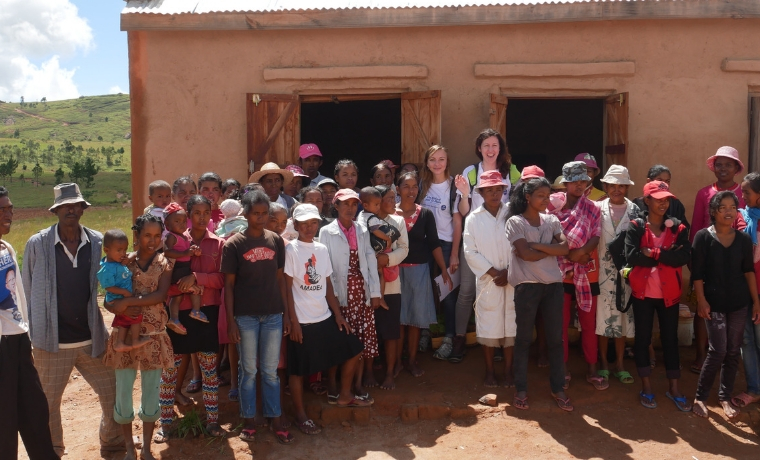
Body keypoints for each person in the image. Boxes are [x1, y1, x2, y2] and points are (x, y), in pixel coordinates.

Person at [22, 183, 123, 457]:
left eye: (76, 205)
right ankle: (53, 450)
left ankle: (112, 443)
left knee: (111, 395)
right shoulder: (37, 244)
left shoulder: (98, 241)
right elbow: (26, 291)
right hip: (51, 343)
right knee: (48, 403)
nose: (72, 209)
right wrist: (29, 335)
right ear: (56, 210)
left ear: (82, 208)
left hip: (93, 339)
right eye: (66, 206)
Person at [286, 204, 371, 435]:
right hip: (301, 321)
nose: (309, 227)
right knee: (297, 370)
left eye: (313, 222)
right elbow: (285, 289)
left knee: (353, 348)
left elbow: (328, 286)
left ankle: (344, 395)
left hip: (324, 316)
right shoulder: (291, 250)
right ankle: (301, 415)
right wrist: (292, 321)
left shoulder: (321, 249)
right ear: (295, 225)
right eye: (303, 223)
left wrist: (338, 316)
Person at [102, 214, 174, 460]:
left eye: (157, 236)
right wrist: (115, 307)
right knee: (123, 393)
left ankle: (146, 447)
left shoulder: (165, 263)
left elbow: (160, 295)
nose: (152, 241)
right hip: (124, 337)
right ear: (137, 236)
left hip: (153, 337)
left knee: (151, 394)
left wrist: (128, 302)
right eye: (147, 235)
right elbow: (109, 298)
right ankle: (129, 449)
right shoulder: (123, 262)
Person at [222, 190, 292, 444]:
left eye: (265, 214)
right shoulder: (234, 245)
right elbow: (228, 286)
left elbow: (280, 278)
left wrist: (285, 314)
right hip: (246, 317)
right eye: (256, 214)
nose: (261, 218)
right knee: (249, 370)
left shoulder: (275, 241)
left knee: (271, 371)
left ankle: (275, 417)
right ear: (246, 213)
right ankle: (249, 419)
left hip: (273, 314)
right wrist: (231, 321)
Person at [157, 195, 226, 441]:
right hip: (178, 314)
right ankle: (165, 423)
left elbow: (221, 280)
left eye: (206, 213)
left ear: (211, 214)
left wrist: (196, 277)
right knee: (170, 371)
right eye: (196, 213)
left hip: (207, 313)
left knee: (209, 371)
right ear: (188, 215)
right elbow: (161, 275)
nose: (202, 217)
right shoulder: (174, 242)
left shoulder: (218, 244)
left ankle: (213, 421)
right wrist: (180, 287)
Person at [0, 186, 58, 460]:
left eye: (10, 208)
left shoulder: (6, 248)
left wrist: (26, 334)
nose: (8, 214)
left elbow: (17, 295)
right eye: (2, 209)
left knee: (34, 410)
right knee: (4, 420)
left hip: (19, 341)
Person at [692, 191, 760, 419]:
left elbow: (749, 272)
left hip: (739, 303)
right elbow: (697, 274)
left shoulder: (743, 240)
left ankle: (724, 397)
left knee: (732, 352)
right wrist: (701, 300)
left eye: (733, 207)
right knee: (718, 350)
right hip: (714, 304)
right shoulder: (703, 237)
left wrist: (756, 302)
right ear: (713, 211)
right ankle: (700, 397)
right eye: (724, 207)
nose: (730, 211)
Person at [505, 177, 571, 411]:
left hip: (553, 286)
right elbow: (525, 255)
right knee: (523, 339)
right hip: (527, 287)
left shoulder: (551, 220)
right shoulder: (515, 222)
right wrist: (551, 250)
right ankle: (521, 389)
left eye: (548, 195)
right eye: (541, 196)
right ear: (527, 197)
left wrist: (538, 247)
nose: (546, 199)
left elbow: (565, 248)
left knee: (555, 340)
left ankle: (558, 388)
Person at [625, 180, 692, 411]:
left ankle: (674, 388)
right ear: (647, 201)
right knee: (643, 340)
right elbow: (632, 257)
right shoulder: (636, 226)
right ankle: (647, 387)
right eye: (658, 199)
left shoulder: (678, 229)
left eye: (666, 199)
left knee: (670, 340)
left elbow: (683, 257)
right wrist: (667, 254)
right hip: (642, 294)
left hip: (669, 295)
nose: (663, 203)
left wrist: (653, 252)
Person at [450, 129, 513, 363]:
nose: (490, 150)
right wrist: (466, 194)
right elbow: (463, 211)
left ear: (500, 148)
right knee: (467, 291)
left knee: (503, 290)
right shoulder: (471, 172)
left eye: (494, 145)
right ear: (479, 148)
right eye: (486, 145)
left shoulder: (510, 171)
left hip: (502, 240)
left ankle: (498, 341)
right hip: (476, 237)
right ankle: (459, 338)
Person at [689, 147, 747, 374]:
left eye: (728, 164)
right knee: (702, 306)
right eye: (719, 164)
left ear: (736, 168)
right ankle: (702, 354)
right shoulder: (704, 193)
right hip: (707, 256)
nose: (723, 169)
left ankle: (728, 355)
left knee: (733, 307)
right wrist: (694, 258)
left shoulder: (744, 192)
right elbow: (696, 225)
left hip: (736, 258)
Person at [320, 189, 381, 397]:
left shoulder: (362, 230)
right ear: (336, 206)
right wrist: (331, 296)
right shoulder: (327, 232)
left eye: (354, 204)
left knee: (360, 340)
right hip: (339, 294)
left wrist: (374, 292)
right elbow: (324, 265)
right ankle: (333, 387)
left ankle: (357, 385)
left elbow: (370, 260)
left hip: (360, 294)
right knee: (338, 341)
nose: (350, 208)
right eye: (345, 204)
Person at [551, 161, 604, 391]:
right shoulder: (553, 209)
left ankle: (592, 369)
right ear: (566, 183)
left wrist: (579, 253)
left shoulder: (593, 208)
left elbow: (596, 236)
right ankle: (562, 368)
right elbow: (551, 236)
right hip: (560, 274)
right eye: (576, 181)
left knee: (588, 324)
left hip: (587, 273)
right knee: (561, 324)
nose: (580, 185)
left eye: (584, 180)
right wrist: (572, 255)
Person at [395, 172, 452, 377]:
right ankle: (395, 363)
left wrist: (444, 269)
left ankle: (411, 360)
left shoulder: (425, 214)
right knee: (399, 319)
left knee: (414, 320)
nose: (411, 191)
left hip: (419, 270)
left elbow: (434, 243)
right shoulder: (390, 214)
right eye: (406, 186)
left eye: (414, 187)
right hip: (394, 272)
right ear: (398, 189)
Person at [463, 170, 516, 387]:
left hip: (512, 278)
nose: (494, 194)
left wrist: (509, 272)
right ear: (481, 193)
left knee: (511, 324)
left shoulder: (513, 213)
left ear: (504, 191)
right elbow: (470, 251)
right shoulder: (473, 219)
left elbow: (521, 244)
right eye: (489, 190)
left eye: (498, 190)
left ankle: (510, 372)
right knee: (488, 324)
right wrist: (494, 272)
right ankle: (490, 372)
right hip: (488, 280)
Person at [417, 145, 463, 360]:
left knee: (448, 293)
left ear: (447, 162)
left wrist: (454, 252)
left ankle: (449, 338)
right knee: (425, 290)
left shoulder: (454, 185)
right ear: (426, 162)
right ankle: (425, 332)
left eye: (441, 159)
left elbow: (457, 219)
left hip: (446, 245)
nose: (437, 163)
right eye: (433, 159)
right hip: (424, 245)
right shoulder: (421, 186)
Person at [595, 165, 638, 385]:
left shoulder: (635, 211)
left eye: (622, 185)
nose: (617, 189)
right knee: (602, 318)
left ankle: (620, 364)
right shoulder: (596, 208)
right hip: (602, 272)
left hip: (625, 274)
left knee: (621, 317)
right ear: (606, 186)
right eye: (613, 185)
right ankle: (603, 363)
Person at [364, 185, 408, 390]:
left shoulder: (398, 221)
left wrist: (386, 259)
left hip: (391, 284)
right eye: (389, 198)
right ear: (378, 201)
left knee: (391, 332)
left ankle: (390, 374)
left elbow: (404, 249)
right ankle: (369, 373)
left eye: (394, 198)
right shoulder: (364, 220)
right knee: (369, 331)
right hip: (368, 285)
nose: (394, 202)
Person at [97, 229, 150, 352]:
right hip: (116, 298)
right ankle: (135, 340)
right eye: (119, 250)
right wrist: (124, 292)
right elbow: (108, 287)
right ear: (106, 250)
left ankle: (120, 343)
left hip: (121, 297)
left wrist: (128, 257)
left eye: (125, 250)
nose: (123, 253)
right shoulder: (107, 269)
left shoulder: (118, 261)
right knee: (135, 316)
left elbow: (135, 254)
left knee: (124, 320)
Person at [736, 172, 760, 409]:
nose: (742, 196)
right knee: (747, 340)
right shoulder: (743, 217)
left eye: (746, 193)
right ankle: (754, 388)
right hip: (744, 289)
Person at [163, 202, 204, 334]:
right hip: (177, 270)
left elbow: (189, 249)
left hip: (184, 269)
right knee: (195, 289)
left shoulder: (185, 236)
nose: (182, 224)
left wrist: (194, 250)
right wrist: (184, 253)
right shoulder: (171, 237)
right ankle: (196, 311)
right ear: (168, 225)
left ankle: (174, 319)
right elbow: (167, 252)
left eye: (184, 221)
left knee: (177, 296)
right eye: (177, 221)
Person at [360, 186, 398, 311]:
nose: (378, 207)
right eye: (376, 204)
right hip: (372, 251)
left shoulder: (360, 215)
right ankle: (380, 297)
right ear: (365, 205)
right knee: (379, 274)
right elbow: (375, 231)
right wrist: (387, 238)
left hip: (363, 250)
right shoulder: (372, 218)